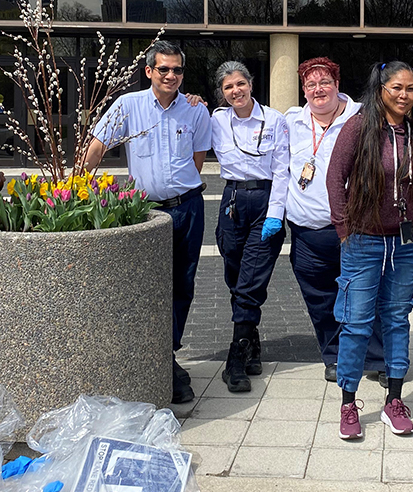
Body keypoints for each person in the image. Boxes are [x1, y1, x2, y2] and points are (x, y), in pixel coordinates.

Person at [84, 40, 212, 405]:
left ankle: (167, 354)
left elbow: (197, 160)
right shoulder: (128, 106)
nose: (171, 75)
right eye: (164, 69)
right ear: (149, 71)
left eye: (177, 70)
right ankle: (160, 360)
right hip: (147, 211)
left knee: (183, 284)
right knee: (150, 286)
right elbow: (95, 148)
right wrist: (80, 189)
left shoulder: (195, 111)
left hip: (188, 208)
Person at [327, 61, 413, 440]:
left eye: (411, 89)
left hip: (407, 244)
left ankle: (394, 400)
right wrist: (344, 230)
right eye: (396, 88)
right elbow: (334, 177)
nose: (404, 96)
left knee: (397, 319)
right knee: (356, 323)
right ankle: (348, 403)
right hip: (364, 240)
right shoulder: (359, 126)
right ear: (380, 90)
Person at [284, 57, 385, 382]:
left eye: (324, 82)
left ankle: (379, 358)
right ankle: (335, 355)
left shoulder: (364, 118)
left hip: (353, 231)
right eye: (311, 84)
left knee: (366, 294)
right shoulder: (291, 122)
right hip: (306, 235)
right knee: (321, 299)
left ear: (337, 84)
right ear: (303, 89)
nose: (318, 90)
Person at [209, 60, 291, 393]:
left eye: (240, 84)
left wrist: (276, 213)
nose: (235, 91)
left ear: (251, 83)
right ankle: (251, 342)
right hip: (231, 202)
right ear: (222, 92)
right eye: (228, 87)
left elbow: (283, 169)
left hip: (264, 201)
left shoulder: (274, 120)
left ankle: (235, 359)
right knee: (235, 278)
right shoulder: (216, 120)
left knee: (250, 282)